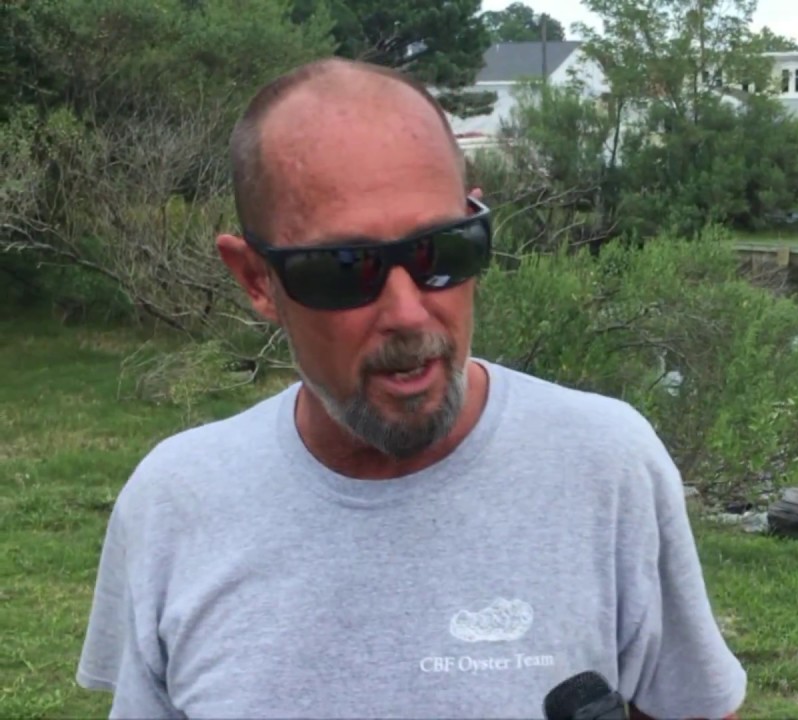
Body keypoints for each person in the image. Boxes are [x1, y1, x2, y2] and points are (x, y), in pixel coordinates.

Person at [75, 57, 748, 719]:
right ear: (255, 278)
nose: (406, 312)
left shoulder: (608, 465)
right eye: (344, 267)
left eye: (442, 252)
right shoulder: (174, 502)